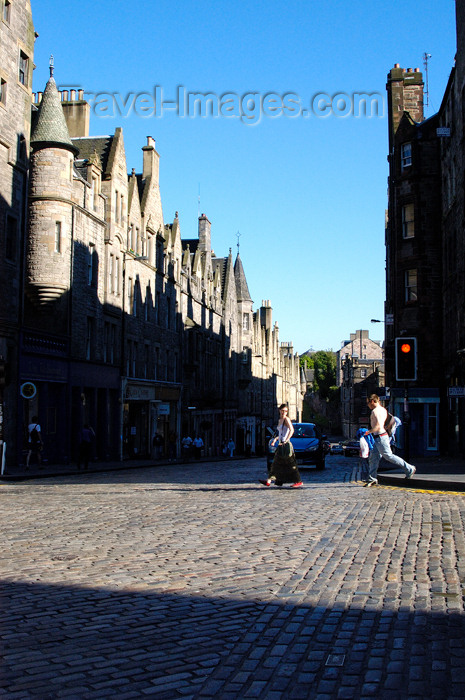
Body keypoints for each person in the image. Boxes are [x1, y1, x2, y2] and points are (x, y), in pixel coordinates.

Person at [364, 394, 417, 487]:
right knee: (373, 458)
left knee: (389, 456)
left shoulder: (375, 412)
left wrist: (367, 432)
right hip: (378, 437)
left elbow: (378, 427)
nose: (367, 405)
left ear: (372, 401)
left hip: (380, 437)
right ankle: (372, 478)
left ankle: (409, 468)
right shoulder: (383, 410)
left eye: (368, 402)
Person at [259, 404, 303, 488]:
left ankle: (298, 481)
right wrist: (275, 440)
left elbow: (292, 430)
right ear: (279, 410)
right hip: (280, 444)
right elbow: (281, 433)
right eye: (282, 411)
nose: (284, 413)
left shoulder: (286, 419)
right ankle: (269, 480)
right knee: (275, 464)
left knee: (290, 463)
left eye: (286, 411)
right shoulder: (280, 420)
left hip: (286, 445)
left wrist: (286, 440)